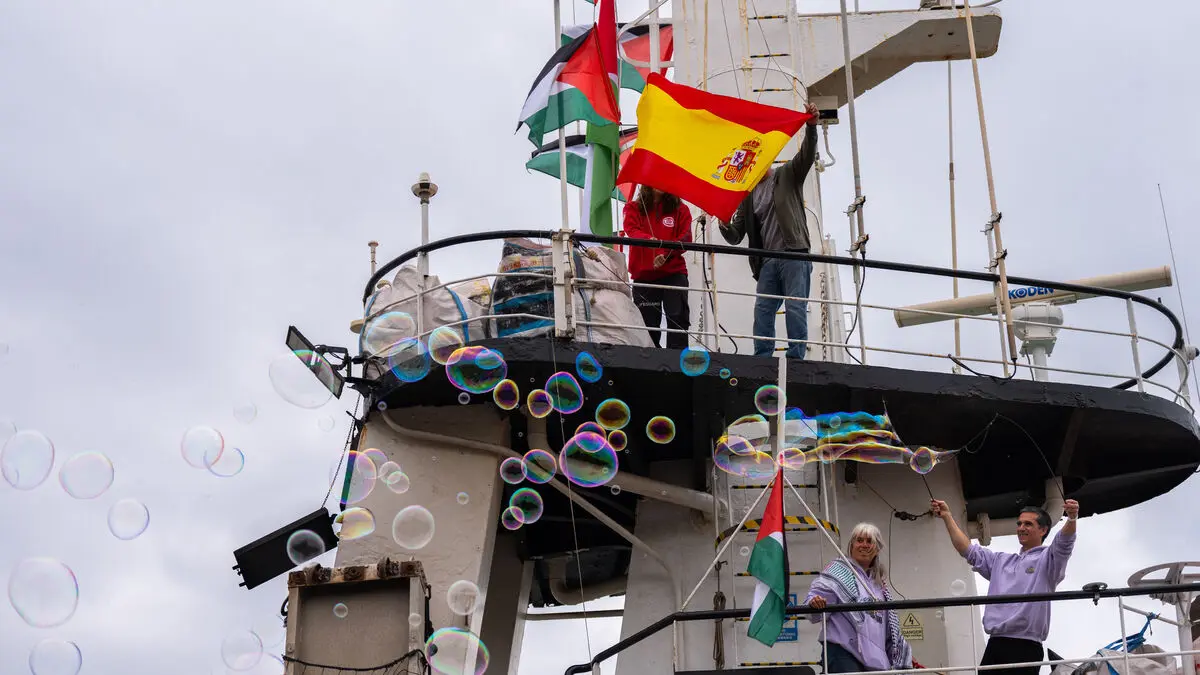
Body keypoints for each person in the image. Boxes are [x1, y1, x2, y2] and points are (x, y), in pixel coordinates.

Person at [930, 497, 1080, 675]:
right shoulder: (1000, 561)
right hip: (995, 644)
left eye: (1028, 524)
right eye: (1019, 523)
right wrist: (947, 516)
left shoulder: (1049, 560)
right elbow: (967, 550)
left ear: (1043, 530)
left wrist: (1072, 518)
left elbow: (1064, 543)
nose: (1021, 528)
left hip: (1026, 646)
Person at [718, 102, 820, 359]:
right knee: (763, 310)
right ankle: (762, 357)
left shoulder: (787, 175)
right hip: (768, 262)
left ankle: (796, 358)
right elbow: (736, 235)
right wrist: (723, 223)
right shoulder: (748, 195)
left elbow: (807, 155)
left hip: (794, 254)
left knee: (795, 307)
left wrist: (811, 127)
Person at [804, 522, 914, 673]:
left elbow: (889, 629)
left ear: (877, 549)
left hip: (875, 659)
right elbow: (812, 612)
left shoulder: (879, 585)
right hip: (843, 653)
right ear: (852, 546)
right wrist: (815, 602)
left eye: (869, 541)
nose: (864, 545)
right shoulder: (838, 572)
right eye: (859, 540)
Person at [623, 185, 693, 349]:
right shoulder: (632, 208)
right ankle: (649, 361)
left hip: (674, 272)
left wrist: (665, 254)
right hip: (644, 276)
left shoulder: (681, 209)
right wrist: (650, 241)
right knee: (647, 325)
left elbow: (686, 237)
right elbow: (631, 230)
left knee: (678, 319)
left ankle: (677, 359)